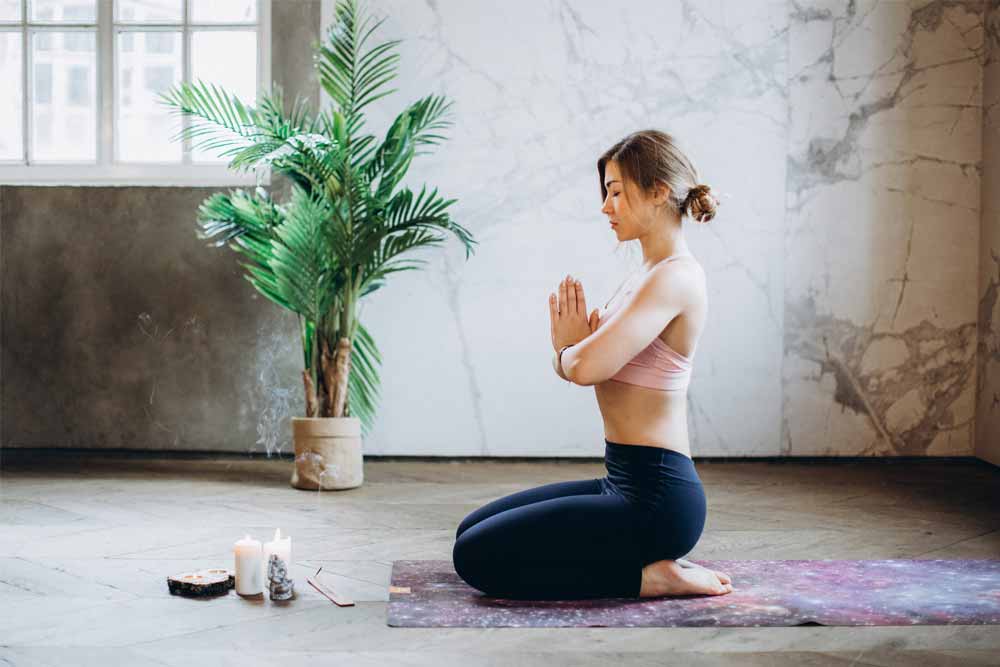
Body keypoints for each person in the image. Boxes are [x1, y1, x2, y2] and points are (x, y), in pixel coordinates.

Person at [452, 129, 733, 600]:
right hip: (620, 478)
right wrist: (574, 355)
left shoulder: (677, 277)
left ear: (660, 191)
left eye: (616, 192)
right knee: (470, 530)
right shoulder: (644, 276)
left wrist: (567, 353)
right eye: (606, 193)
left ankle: (647, 578)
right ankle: (640, 563)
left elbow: (584, 366)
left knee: (475, 558)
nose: (605, 206)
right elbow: (585, 361)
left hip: (657, 498)